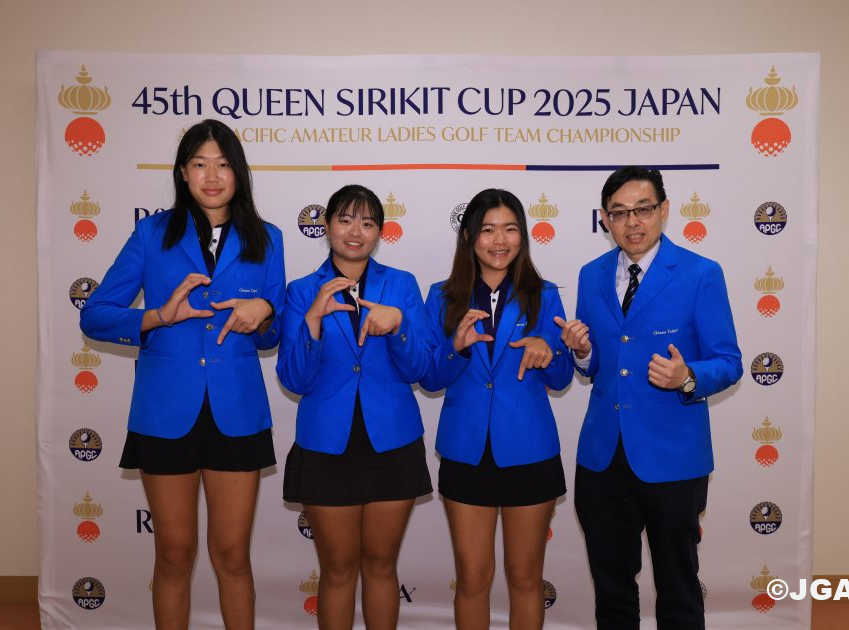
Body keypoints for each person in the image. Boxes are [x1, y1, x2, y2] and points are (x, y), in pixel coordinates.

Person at [79, 119, 285, 630]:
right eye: (199, 164)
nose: (212, 176)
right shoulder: (151, 234)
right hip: (165, 411)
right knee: (173, 553)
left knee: (232, 555)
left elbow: (271, 336)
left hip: (237, 411)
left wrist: (264, 311)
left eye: (223, 164)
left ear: (239, 172)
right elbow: (95, 315)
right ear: (182, 172)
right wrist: (157, 316)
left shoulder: (268, 238)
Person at [558, 166, 742, 629]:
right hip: (602, 458)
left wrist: (687, 376)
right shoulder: (591, 275)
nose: (632, 222)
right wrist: (582, 352)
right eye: (619, 213)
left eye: (643, 209)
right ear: (605, 219)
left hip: (673, 457)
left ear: (664, 210)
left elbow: (729, 361)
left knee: (678, 588)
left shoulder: (701, 273)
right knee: (612, 589)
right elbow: (597, 363)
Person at [276, 184, 433, 630]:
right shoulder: (302, 290)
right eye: (345, 220)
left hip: (393, 441)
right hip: (326, 444)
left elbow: (421, 367)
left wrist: (398, 325)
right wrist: (313, 320)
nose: (355, 231)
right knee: (338, 569)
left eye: (367, 223)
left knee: (381, 564)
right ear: (326, 226)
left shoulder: (401, 284)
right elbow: (294, 379)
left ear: (379, 232)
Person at [420, 188, 574, 630]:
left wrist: (549, 352)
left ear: (523, 235)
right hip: (466, 452)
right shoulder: (442, 296)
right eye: (488, 230)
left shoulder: (544, 294)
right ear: (469, 236)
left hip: (530, 450)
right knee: (472, 578)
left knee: (525, 578)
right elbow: (429, 378)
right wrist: (456, 348)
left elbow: (562, 377)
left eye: (510, 229)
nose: (500, 240)